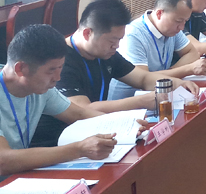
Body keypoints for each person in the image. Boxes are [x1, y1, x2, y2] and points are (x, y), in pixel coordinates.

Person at [31, 0, 199, 147]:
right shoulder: (61, 61)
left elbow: (142, 78)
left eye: (119, 40)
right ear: (87, 33)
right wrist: (140, 101)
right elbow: (82, 109)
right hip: (59, 141)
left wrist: (177, 83)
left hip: (94, 133)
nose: (117, 46)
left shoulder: (105, 53)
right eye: (112, 41)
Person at [0, 25, 142, 176]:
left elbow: (79, 114)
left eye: (60, 68)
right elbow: (3, 161)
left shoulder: (41, 88)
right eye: (51, 70)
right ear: (21, 69)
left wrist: (126, 126)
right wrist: (79, 149)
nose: (57, 78)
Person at [109, 0, 206, 100]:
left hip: (160, 95)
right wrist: (188, 69)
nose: (182, 27)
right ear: (159, 14)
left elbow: (192, 53)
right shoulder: (133, 34)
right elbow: (144, 80)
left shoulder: (172, 29)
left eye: (185, 21)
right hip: (132, 103)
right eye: (179, 21)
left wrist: (169, 73)